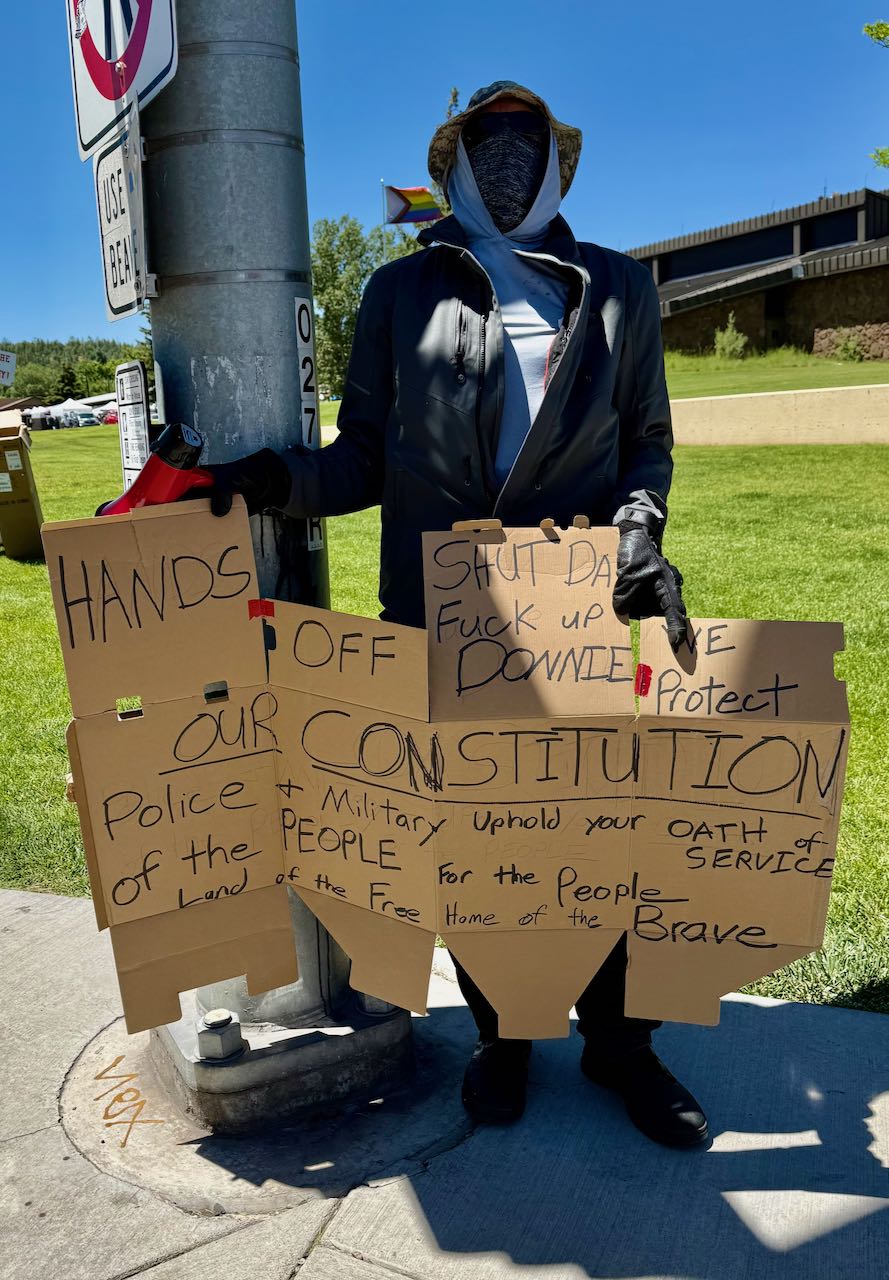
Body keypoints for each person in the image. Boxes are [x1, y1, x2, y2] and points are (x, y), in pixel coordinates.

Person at [198, 81, 706, 1148]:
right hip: (445, 614)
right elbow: (363, 457)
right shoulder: (399, 291)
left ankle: (620, 1042)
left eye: (528, 146)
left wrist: (637, 533)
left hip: (568, 608)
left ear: (558, 163)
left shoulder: (620, 287)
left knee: (594, 836)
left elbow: (645, 442)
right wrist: (274, 479)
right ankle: (503, 1035)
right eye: (488, 146)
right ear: (456, 165)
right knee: (476, 841)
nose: (510, 165)